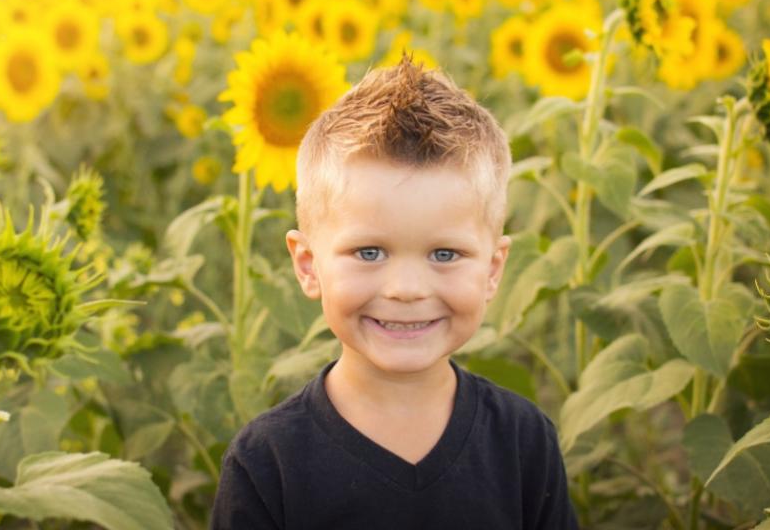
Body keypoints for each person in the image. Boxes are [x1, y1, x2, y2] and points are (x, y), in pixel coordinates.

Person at [211, 56, 579, 530]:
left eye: (444, 254)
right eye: (369, 252)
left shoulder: (523, 443)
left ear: (492, 269)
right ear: (308, 265)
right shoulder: (267, 462)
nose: (406, 290)